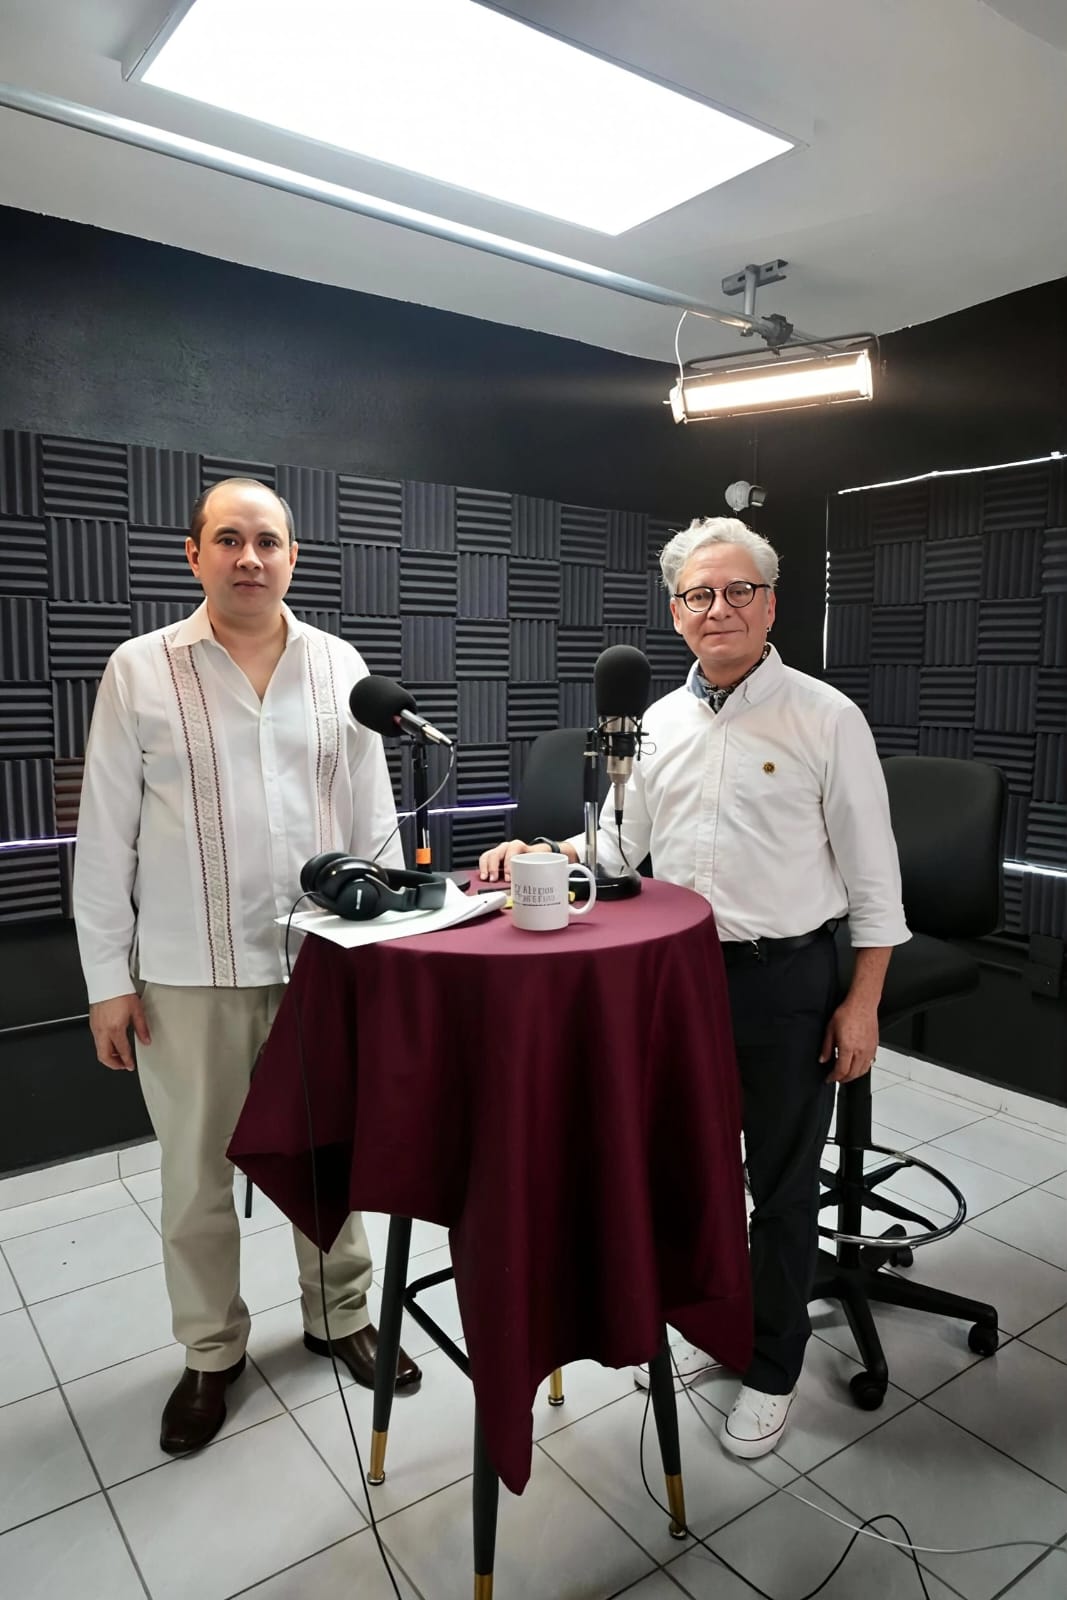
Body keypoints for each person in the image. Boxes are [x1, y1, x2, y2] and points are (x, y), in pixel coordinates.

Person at [479, 515, 909, 1460]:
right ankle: (717, 1322)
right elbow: (616, 847)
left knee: (781, 1188)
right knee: (687, 1172)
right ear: (675, 613)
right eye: (698, 595)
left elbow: (875, 881)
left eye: (738, 590)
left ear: (770, 604)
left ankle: (774, 1364)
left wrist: (862, 1001)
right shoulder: (653, 725)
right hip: (672, 983)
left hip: (784, 980)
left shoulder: (825, 717)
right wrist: (541, 850)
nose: (719, 609)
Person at [73, 477, 420, 1455]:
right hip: (188, 974)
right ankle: (210, 1350)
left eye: (267, 540)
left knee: (329, 1153)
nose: (249, 557)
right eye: (228, 539)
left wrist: (386, 955)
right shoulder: (140, 670)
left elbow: (374, 823)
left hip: (322, 965)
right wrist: (107, 980)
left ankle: (339, 1315)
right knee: (195, 1176)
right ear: (195, 555)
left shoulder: (340, 666)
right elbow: (104, 836)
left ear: (292, 557)